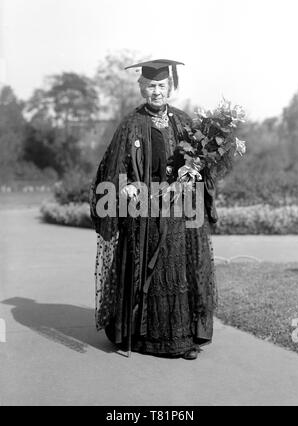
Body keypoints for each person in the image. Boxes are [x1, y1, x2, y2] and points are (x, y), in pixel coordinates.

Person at [89, 59, 218, 360]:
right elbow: (112, 166)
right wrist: (124, 185)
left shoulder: (185, 123)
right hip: (143, 211)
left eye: (161, 86)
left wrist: (193, 175)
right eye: (151, 86)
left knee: (177, 270)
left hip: (178, 209)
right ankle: (141, 336)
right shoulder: (130, 124)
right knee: (147, 268)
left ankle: (181, 339)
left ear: (170, 87)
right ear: (142, 88)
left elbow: (201, 165)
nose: (157, 91)